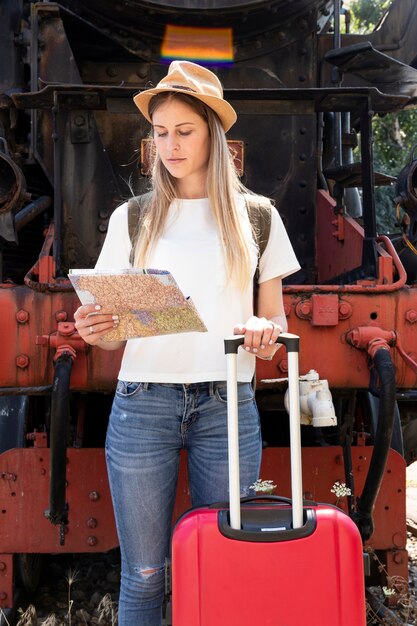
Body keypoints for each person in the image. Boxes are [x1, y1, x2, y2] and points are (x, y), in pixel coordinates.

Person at [74, 60, 300, 626]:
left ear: (213, 136)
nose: (168, 145)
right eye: (159, 132)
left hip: (227, 406)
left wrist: (265, 333)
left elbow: (275, 326)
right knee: (144, 575)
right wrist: (93, 329)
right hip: (142, 403)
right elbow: (108, 339)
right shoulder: (133, 218)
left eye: (184, 131)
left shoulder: (258, 218)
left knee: (225, 562)